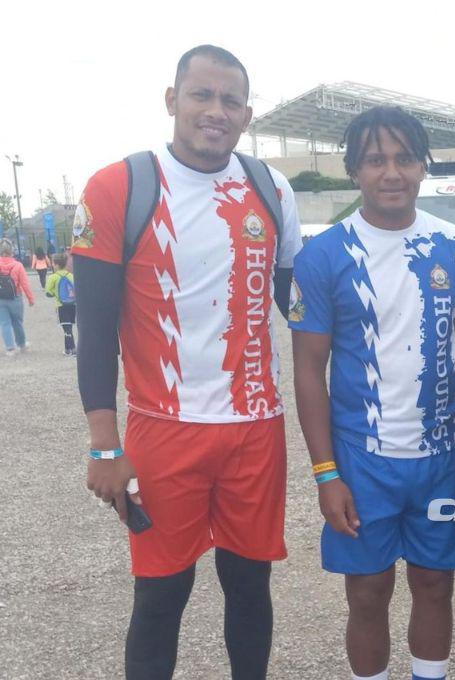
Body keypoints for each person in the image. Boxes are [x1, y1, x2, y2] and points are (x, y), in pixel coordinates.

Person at [72, 45, 302, 679]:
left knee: (250, 587)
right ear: (172, 100)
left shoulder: (271, 187)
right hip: (165, 428)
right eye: (202, 95)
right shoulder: (118, 186)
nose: (215, 111)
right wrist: (103, 445)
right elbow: (96, 331)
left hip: (255, 428)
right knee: (160, 596)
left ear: (247, 115)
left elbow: (299, 306)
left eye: (231, 101)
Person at [290, 105, 455, 680]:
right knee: (368, 593)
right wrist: (326, 474)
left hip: (440, 458)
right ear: (354, 170)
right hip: (360, 460)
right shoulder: (323, 255)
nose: (391, 172)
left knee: (435, 585)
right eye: (376, 160)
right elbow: (308, 370)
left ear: (424, 166)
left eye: (405, 158)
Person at [0, 238, 35, 355]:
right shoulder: (18, 265)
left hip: (1, 298)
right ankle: (22, 344)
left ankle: (10, 348)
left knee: (4, 323)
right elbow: (25, 284)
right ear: (12, 250)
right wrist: (30, 298)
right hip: (15, 297)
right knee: (17, 322)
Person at [44, 252, 77, 356]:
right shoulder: (71, 276)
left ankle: (72, 349)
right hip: (72, 305)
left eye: (53, 263)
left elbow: (48, 293)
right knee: (69, 327)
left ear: (57, 265)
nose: (52, 265)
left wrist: (55, 293)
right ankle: (68, 349)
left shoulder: (53, 277)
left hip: (61, 306)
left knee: (66, 329)